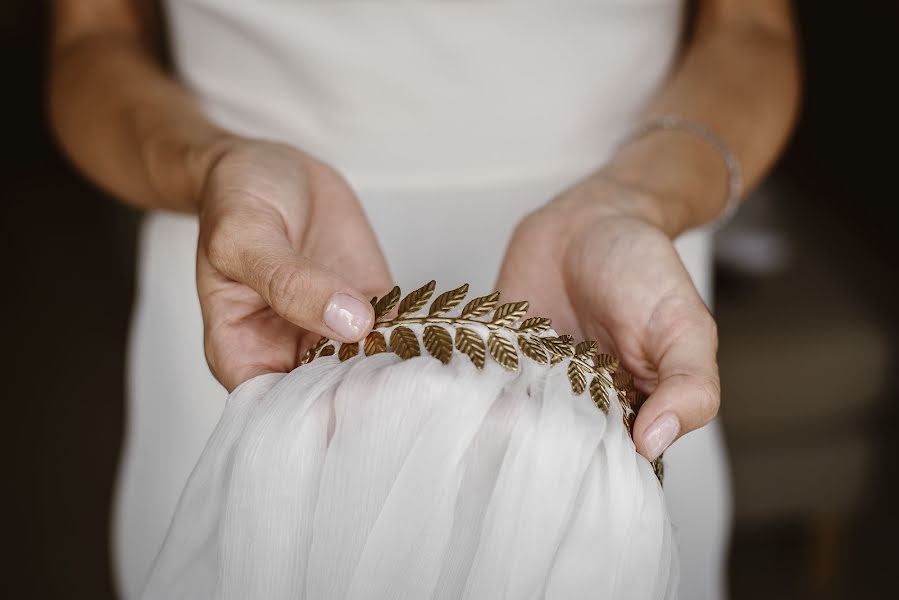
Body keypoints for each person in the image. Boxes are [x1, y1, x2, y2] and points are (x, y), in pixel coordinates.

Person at [49, 1, 799, 598]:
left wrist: (638, 198)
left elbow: (750, 31)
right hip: (267, 270)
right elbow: (92, 41)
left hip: (607, 293)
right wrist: (210, 165)